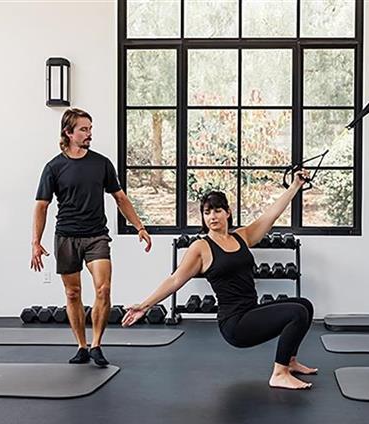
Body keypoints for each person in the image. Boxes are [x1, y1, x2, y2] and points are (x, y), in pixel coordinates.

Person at [122, 171, 316, 389]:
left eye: (217, 210)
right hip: (235, 324)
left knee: (304, 305)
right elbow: (175, 279)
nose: (212, 216)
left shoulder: (241, 237)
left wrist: (295, 186)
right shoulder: (201, 247)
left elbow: (270, 216)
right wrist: (144, 306)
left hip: (250, 311)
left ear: (228, 213)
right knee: (296, 313)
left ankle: (289, 361)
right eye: (207, 212)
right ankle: (279, 374)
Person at [30, 108, 152, 366]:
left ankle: (96, 344)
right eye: (83, 129)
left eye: (90, 129)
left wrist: (139, 226)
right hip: (66, 237)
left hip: (97, 236)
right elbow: (41, 205)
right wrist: (35, 242)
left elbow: (120, 198)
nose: (89, 134)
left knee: (103, 289)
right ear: (68, 132)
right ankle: (81, 346)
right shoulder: (54, 167)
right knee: (73, 293)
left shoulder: (101, 163)